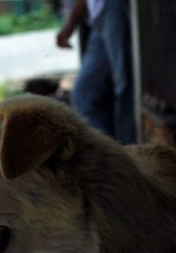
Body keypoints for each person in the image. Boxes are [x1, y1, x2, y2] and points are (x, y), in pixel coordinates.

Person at [57, 0, 136, 145]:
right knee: (84, 94)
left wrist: (69, 26)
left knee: (126, 87)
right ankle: (108, 155)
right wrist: (69, 27)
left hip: (112, 8)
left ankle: (129, 152)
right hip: (98, 17)